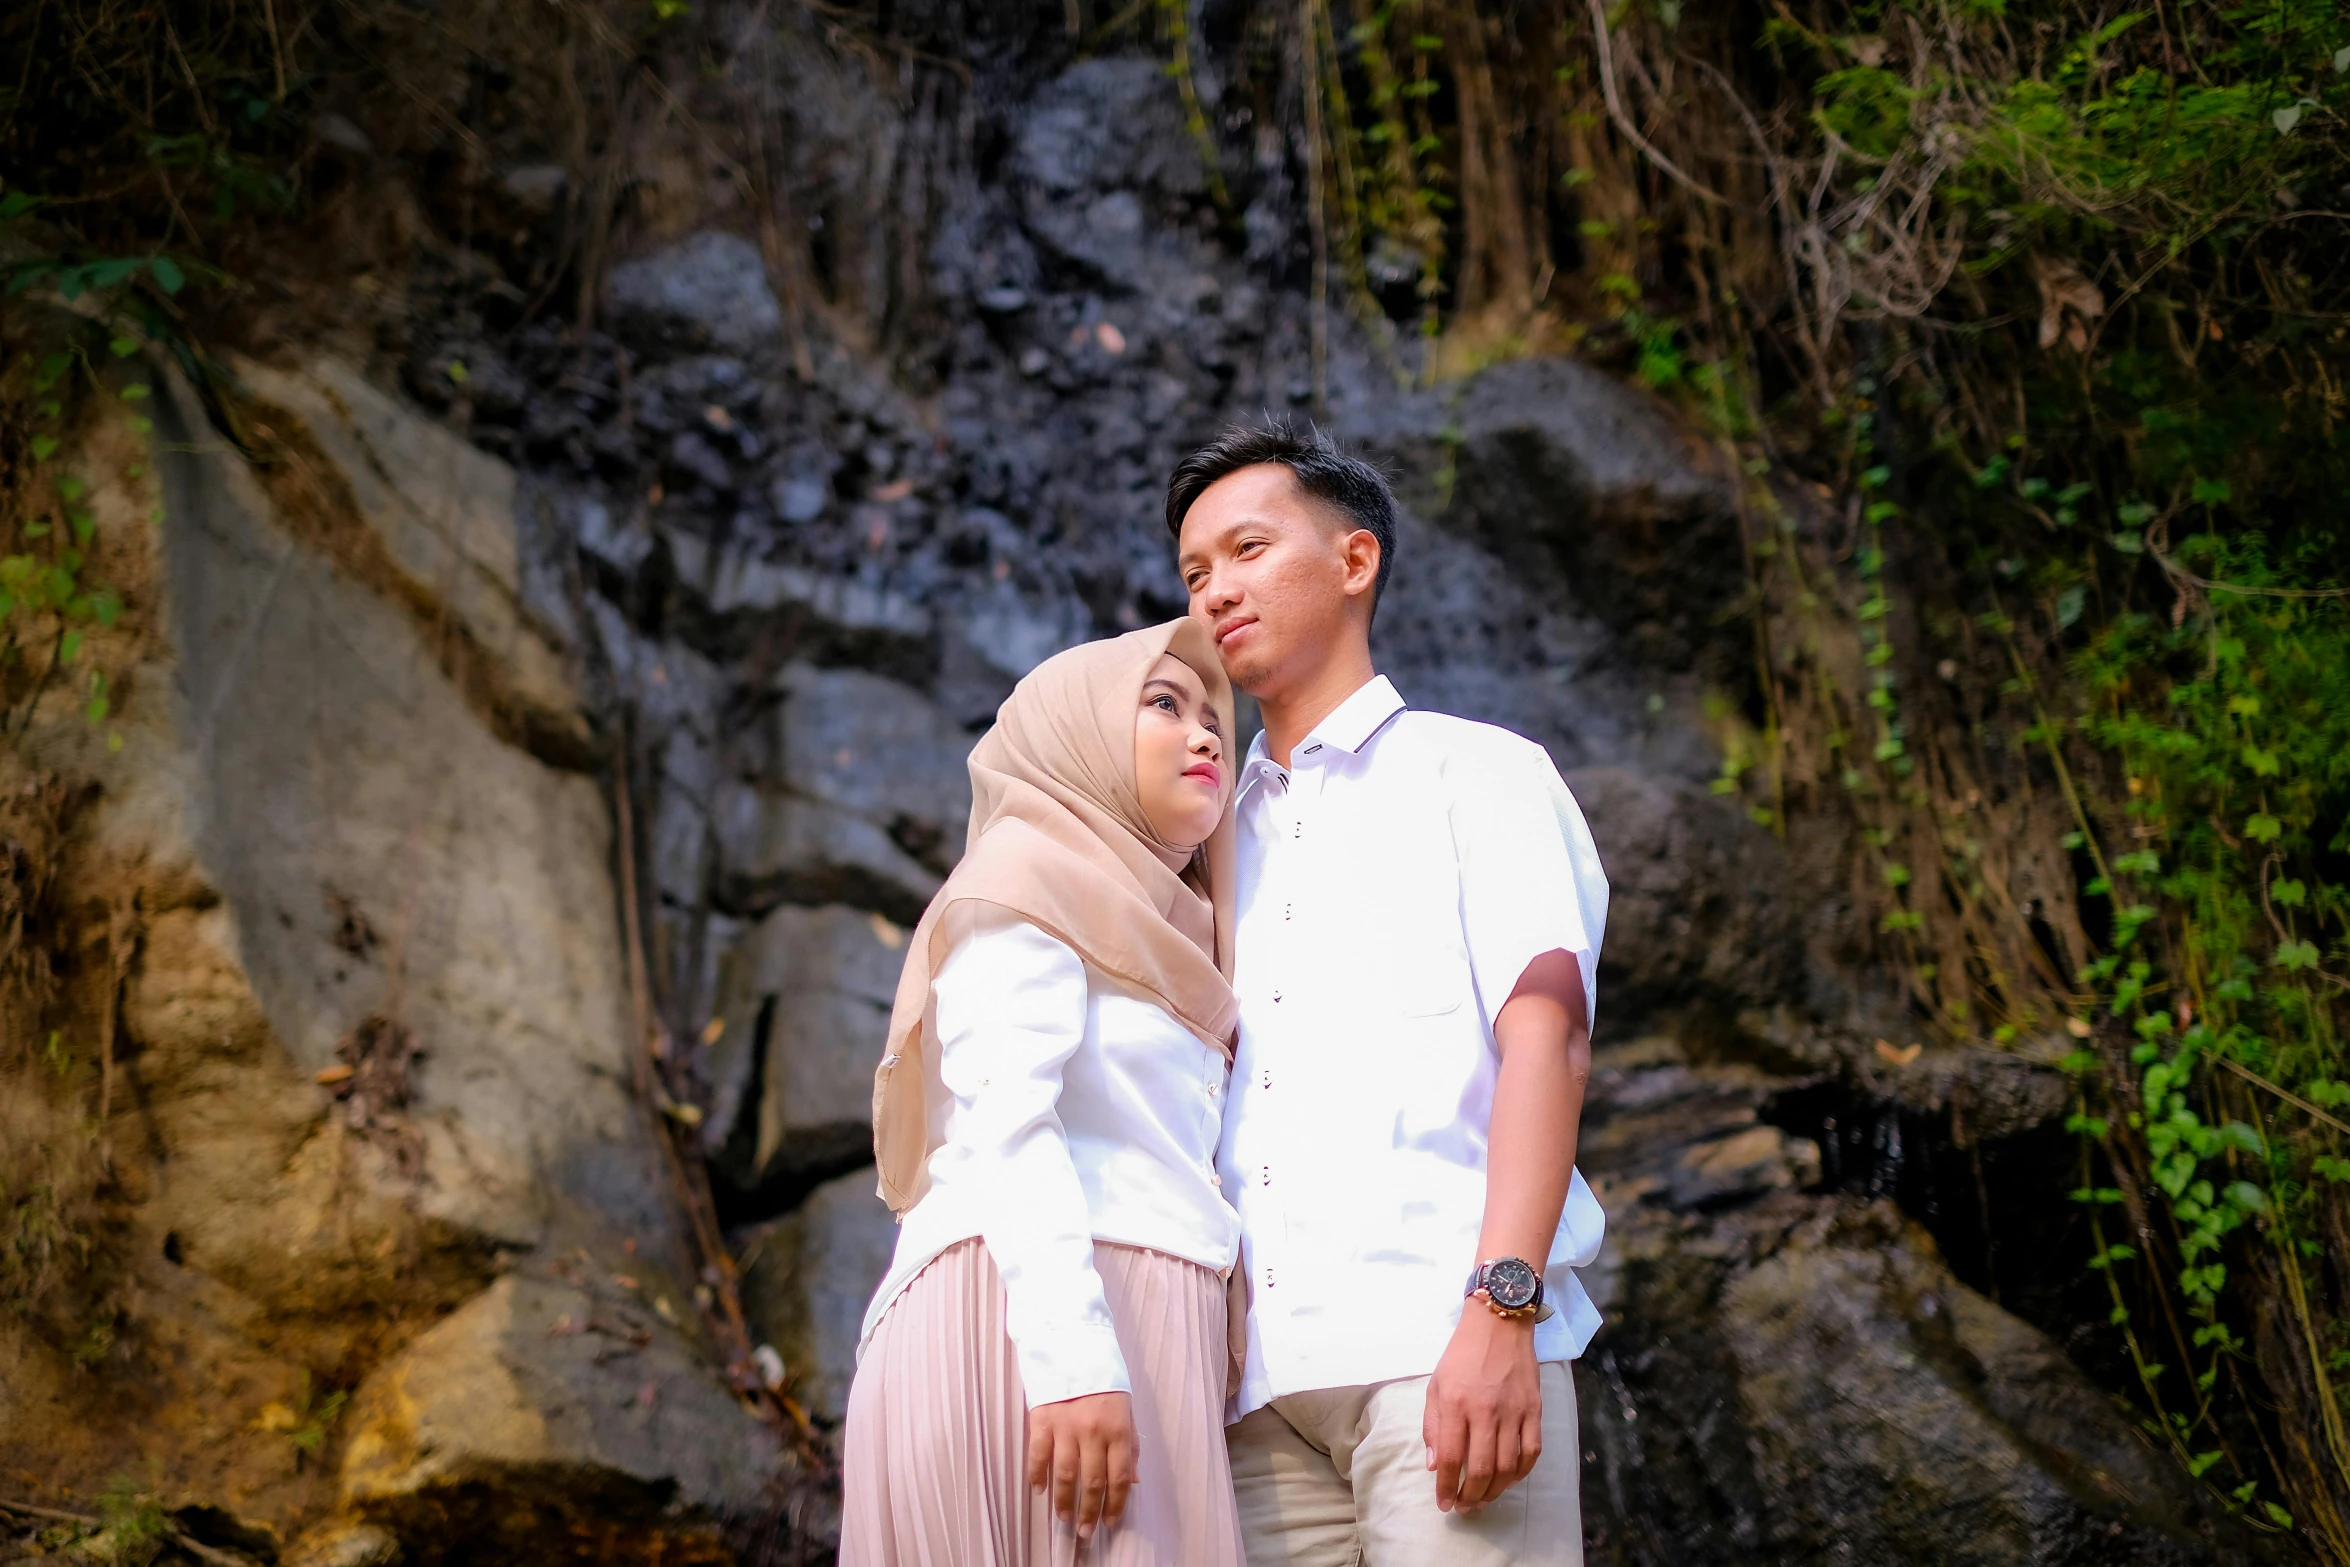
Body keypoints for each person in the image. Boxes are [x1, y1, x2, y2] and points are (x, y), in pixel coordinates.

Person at [1168, 422, 1610, 1567]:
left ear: (1354, 561)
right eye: (1194, 572)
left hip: (1438, 1346)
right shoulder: (1201, 837)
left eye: (1248, 549)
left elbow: (1547, 1041)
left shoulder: (1479, 771)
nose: (1217, 591)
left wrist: (1501, 1311)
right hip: (1252, 1395)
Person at [841, 618, 1250, 1567]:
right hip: (1041, 1332)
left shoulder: (1188, 935)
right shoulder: (1027, 879)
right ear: (1079, 735)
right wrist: (1072, 1365)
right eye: (1162, 703)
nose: (1204, 735)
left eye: (1213, 720)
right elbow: (1005, 1121)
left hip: (1146, 1336)